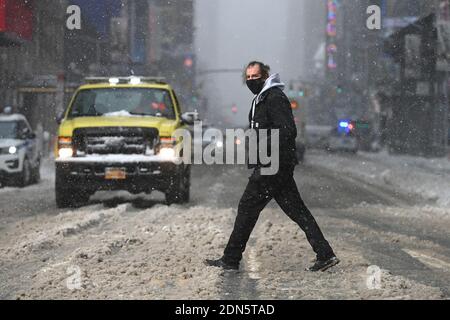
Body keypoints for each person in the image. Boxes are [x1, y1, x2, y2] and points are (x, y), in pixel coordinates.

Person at [205, 61, 339, 272]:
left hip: (272, 167)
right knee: (298, 211)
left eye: (254, 76)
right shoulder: (263, 98)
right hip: (275, 166)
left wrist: (266, 154)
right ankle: (325, 254)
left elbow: (287, 130)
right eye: (247, 77)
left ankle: (230, 259)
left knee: (247, 208)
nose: (251, 81)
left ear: (265, 75)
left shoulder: (274, 98)